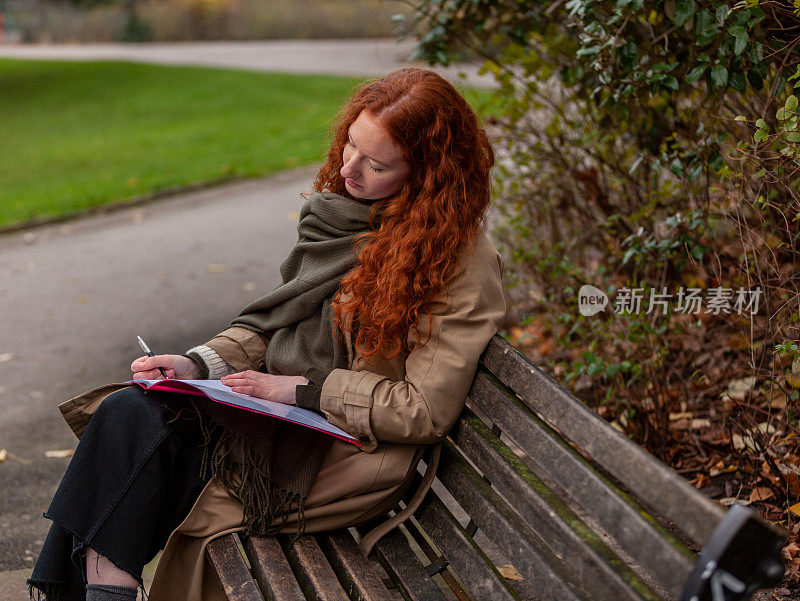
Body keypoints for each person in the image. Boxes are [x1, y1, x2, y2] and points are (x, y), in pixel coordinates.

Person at [27, 67, 506, 601]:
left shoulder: (460, 265)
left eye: (376, 163)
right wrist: (197, 366)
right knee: (127, 415)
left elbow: (423, 410)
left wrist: (301, 391)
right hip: (277, 420)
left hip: (347, 452)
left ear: (428, 175)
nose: (348, 168)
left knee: (135, 461)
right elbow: (274, 323)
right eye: (350, 142)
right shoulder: (342, 218)